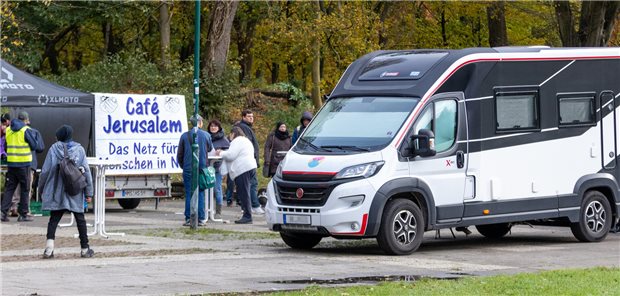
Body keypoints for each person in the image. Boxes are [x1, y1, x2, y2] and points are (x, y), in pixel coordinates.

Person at [38, 125, 94, 259]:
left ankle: (49, 249)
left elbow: (45, 171)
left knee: (54, 220)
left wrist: (41, 189)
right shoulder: (79, 150)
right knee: (80, 219)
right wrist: (89, 193)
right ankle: (85, 249)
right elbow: (86, 172)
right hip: (74, 190)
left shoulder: (53, 149)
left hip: (57, 191)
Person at [1, 111, 39, 222]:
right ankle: (23, 214)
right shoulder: (25, 130)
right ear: (26, 120)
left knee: (9, 188)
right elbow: (34, 145)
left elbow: (6, 146)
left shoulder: (8, 130)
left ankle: (3, 213)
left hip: (12, 164)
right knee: (25, 188)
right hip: (24, 164)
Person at [177, 115, 214, 226]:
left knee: (189, 193)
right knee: (201, 192)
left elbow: (180, 154)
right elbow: (210, 149)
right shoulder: (206, 135)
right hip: (202, 168)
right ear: (200, 123)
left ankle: (189, 218)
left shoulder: (184, 136)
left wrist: (183, 165)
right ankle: (201, 218)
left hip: (188, 168)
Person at [217, 127, 257, 224]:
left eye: (230, 135)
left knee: (244, 192)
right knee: (245, 191)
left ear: (233, 134)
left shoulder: (237, 141)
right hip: (250, 167)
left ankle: (247, 216)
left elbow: (231, 155)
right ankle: (247, 214)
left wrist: (221, 153)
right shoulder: (246, 141)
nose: (229, 137)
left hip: (243, 169)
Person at [11, 114, 45, 217]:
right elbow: (40, 147)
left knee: (16, 186)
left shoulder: (11, 130)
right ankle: (25, 210)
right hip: (29, 162)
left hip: (14, 162)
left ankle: (14, 207)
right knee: (27, 187)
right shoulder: (33, 131)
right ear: (27, 120)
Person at [234, 110, 263, 214]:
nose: (251, 118)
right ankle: (253, 205)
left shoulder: (246, 127)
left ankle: (248, 206)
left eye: (252, 116)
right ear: (243, 117)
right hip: (248, 161)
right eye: (249, 116)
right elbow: (248, 144)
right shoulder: (244, 128)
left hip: (249, 160)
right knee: (252, 183)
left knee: (248, 184)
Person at [207, 119, 230, 219]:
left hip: (218, 168)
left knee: (217, 189)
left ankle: (218, 211)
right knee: (206, 190)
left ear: (219, 128)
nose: (213, 128)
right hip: (207, 168)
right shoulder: (206, 137)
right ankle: (206, 210)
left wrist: (221, 151)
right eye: (211, 126)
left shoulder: (224, 140)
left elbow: (229, 152)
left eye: (215, 126)